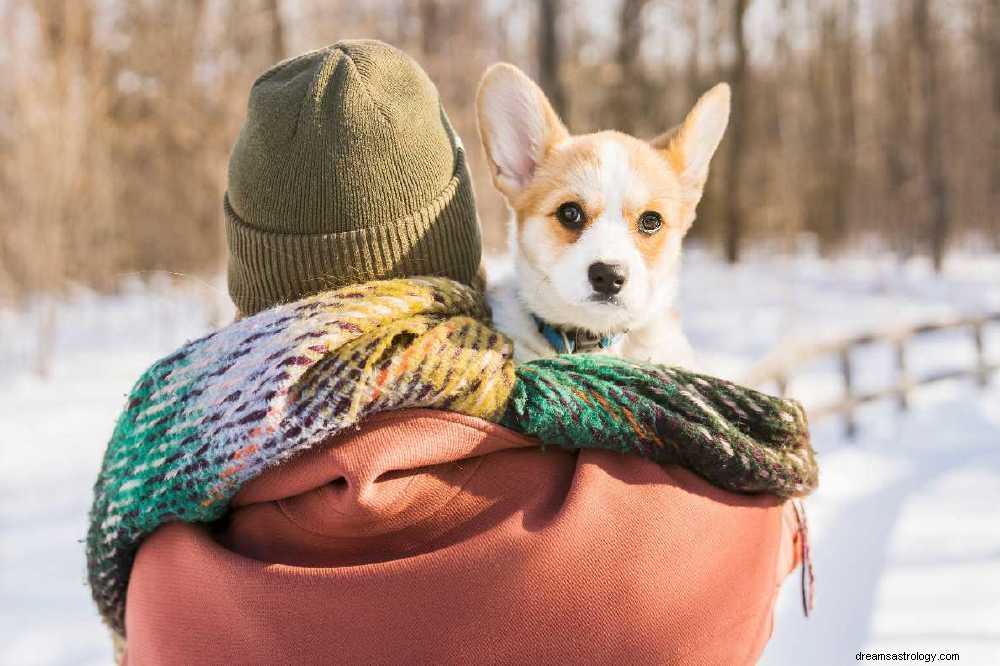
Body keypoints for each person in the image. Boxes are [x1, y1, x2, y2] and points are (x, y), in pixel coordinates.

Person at [92, 40, 815, 665]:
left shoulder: (158, 570)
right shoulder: (670, 530)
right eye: (573, 218)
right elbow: (762, 540)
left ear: (249, 283)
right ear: (458, 254)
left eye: (647, 224)